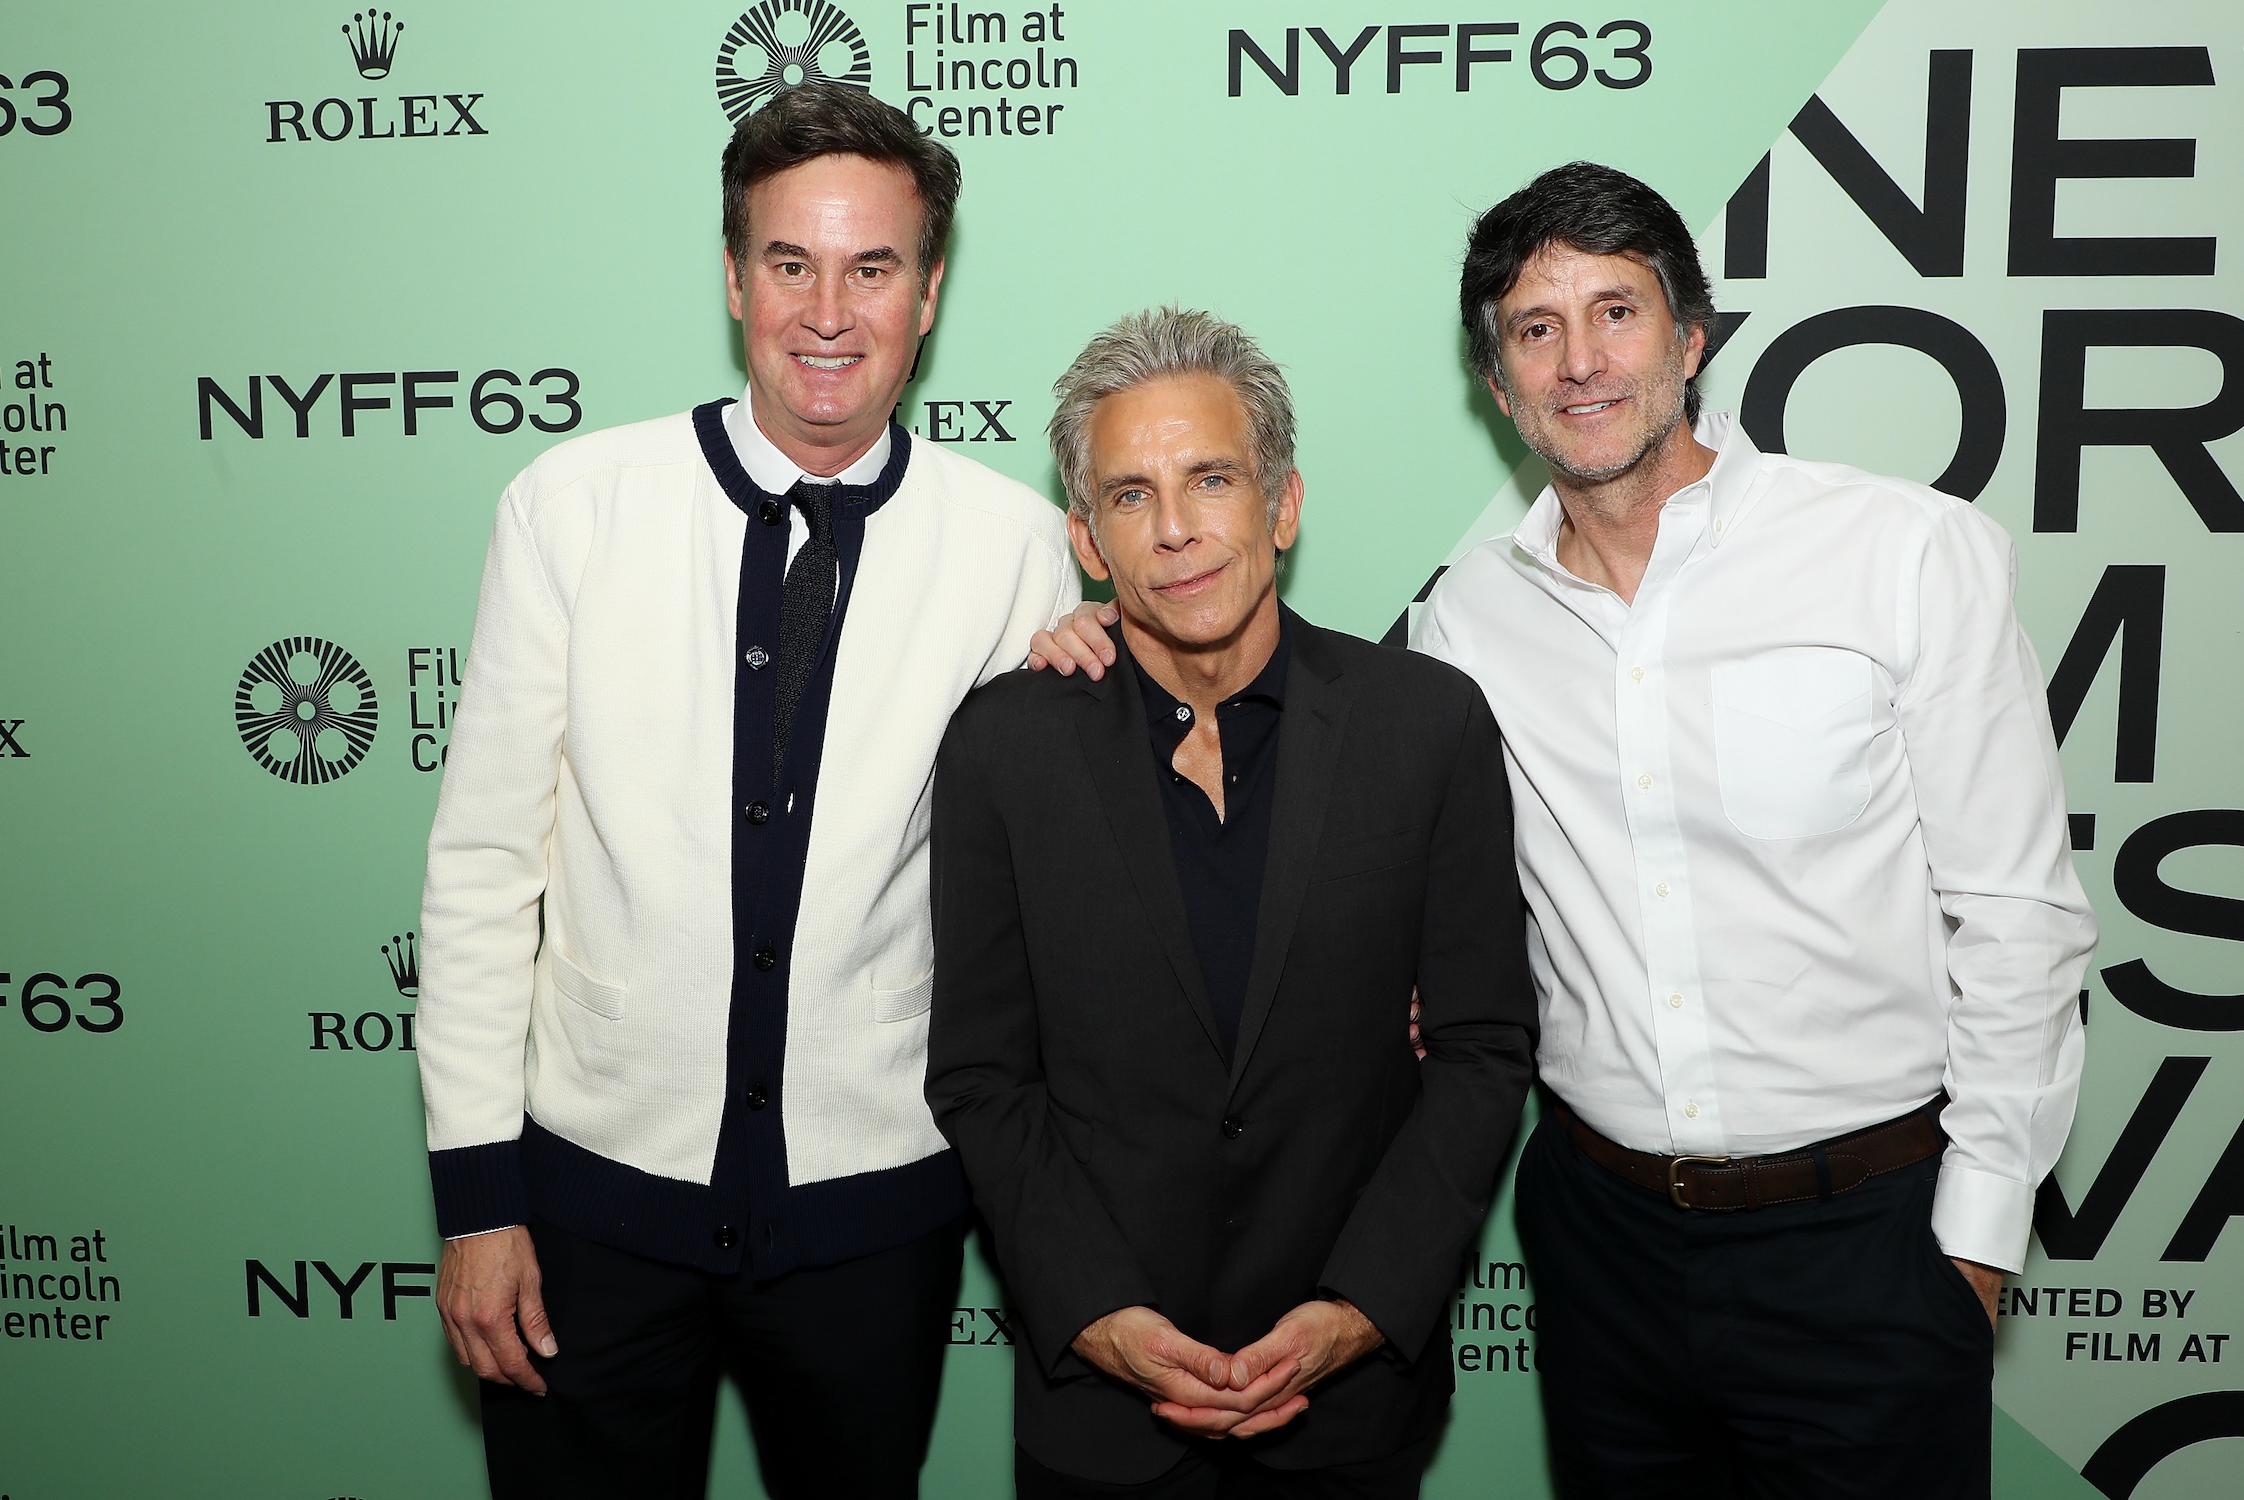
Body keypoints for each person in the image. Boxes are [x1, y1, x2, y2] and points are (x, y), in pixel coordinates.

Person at [1032, 164, 2096, 1498]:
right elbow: (1311, 788)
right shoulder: (1463, 625)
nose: (1580, 361)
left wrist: (1972, 1251)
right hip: (1602, 1250)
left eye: (1616, 312)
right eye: (1536, 329)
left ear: (1690, 338)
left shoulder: (1904, 553)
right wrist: (1101, 642)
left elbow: (2018, 919)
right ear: (1497, 382)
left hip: (1871, 1244)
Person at [414, 82, 1079, 1500]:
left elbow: (1048, 880)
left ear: (928, 293)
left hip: (875, 1218)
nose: (828, 312)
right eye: (790, 263)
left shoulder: (1018, 547)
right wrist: (476, 1199)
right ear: (732, 278)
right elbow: (481, 869)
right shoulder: (572, 506)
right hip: (585, 1212)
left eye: (872, 268)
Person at [928, 307, 1538, 1499]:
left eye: (1211, 479)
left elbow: (1482, 1048)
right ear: (1087, 539)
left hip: (1352, 1407)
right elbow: (984, 1078)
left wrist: (1361, 1306)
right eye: (1131, 495)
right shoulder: (1005, 748)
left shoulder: (1426, 726)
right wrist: (1095, 1311)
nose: (1177, 529)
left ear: (1283, 504)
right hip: (1100, 1415)